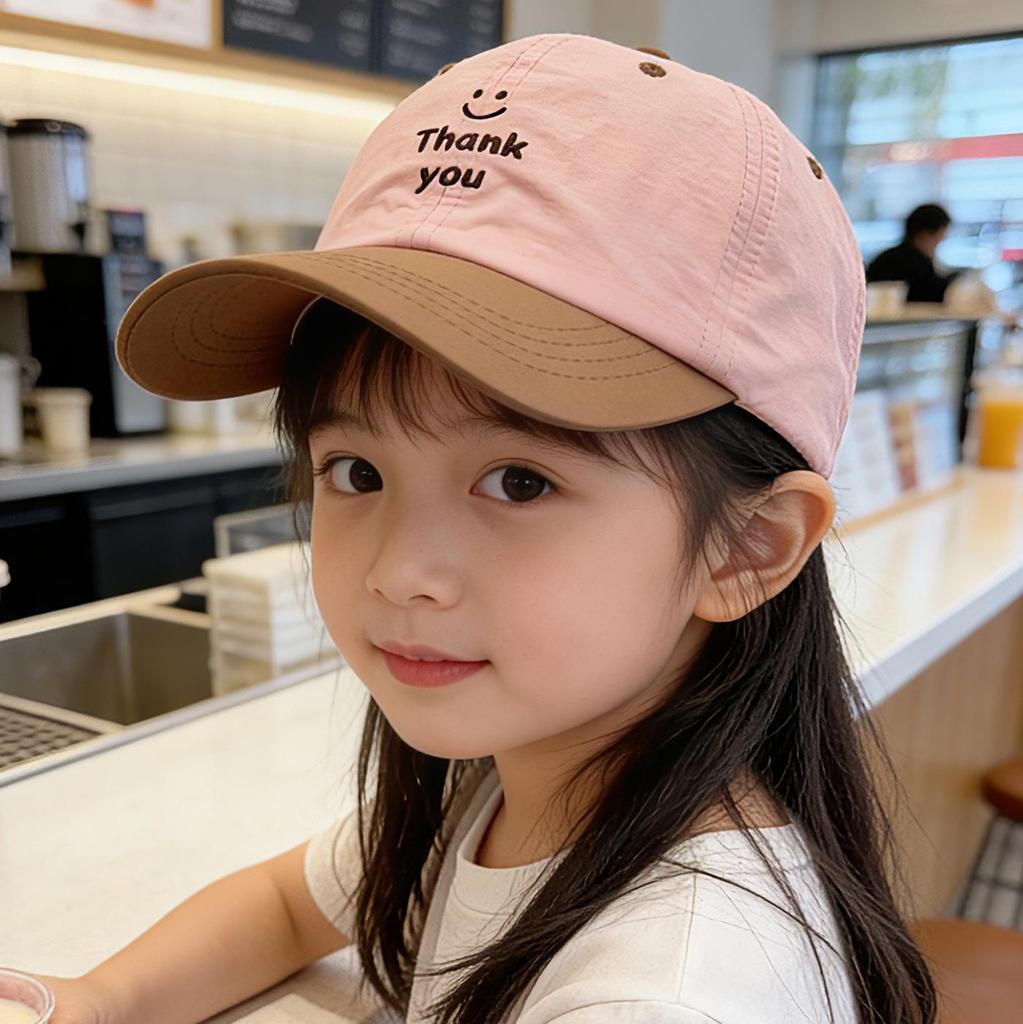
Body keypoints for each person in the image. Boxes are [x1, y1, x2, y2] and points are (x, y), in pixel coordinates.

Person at [30, 33, 936, 1024]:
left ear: (745, 547)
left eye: (517, 481)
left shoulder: (673, 987)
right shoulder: (518, 780)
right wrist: (96, 998)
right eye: (358, 471)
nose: (401, 572)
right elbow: (289, 902)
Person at [865, 203, 961, 303]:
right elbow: (932, 292)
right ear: (924, 234)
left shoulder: (890, 256)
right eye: (941, 234)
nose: (942, 240)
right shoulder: (910, 262)